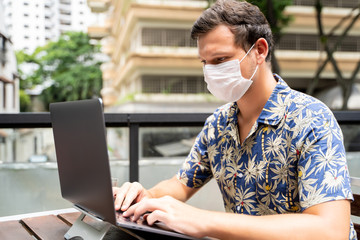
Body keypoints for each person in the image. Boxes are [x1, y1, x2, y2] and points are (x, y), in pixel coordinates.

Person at [113, 0, 356, 239]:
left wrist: (203, 220)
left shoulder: (311, 118)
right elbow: (181, 183)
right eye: (205, 63)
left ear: (259, 51)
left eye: (220, 60)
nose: (211, 72)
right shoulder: (218, 124)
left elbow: (330, 230)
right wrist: (146, 195)